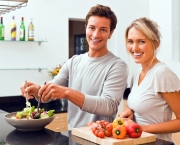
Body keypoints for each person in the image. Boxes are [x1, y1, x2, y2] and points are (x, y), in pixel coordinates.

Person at [21, 4, 128, 130]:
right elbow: (50, 94)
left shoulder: (117, 66)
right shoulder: (73, 62)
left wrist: (67, 92)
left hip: (100, 139)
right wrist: (37, 90)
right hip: (73, 137)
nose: (96, 34)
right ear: (86, 27)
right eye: (92, 28)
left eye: (103, 29)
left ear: (111, 33)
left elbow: (108, 106)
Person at [118, 17, 180, 143]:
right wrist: (131, 111)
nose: (134, 48)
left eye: (141, 41)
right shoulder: (136, 74)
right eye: (130, 41)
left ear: (156, 43)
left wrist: (142, 129)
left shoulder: (162, 73)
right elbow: (146, 106)